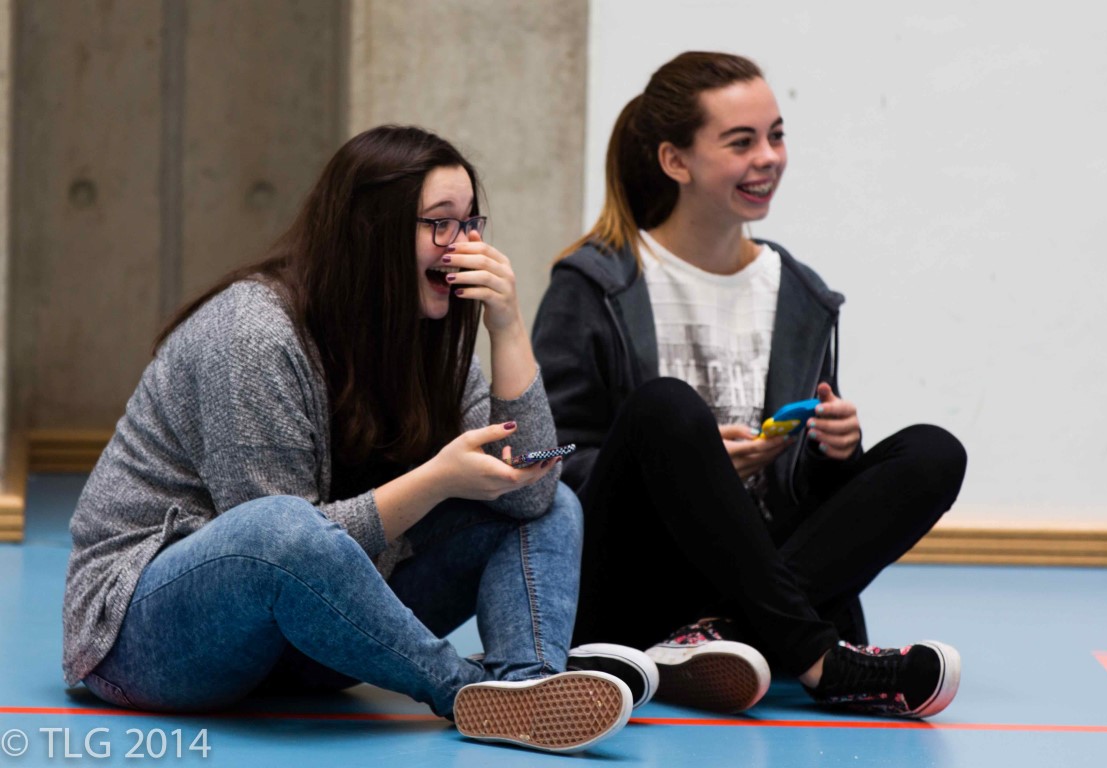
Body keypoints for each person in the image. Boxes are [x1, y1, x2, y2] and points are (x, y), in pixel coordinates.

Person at [62, 125, 657, 754]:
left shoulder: (426, 334)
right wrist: (436, 481)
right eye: (441, 223)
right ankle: (465, 691)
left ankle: (527, 686)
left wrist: (507, 326)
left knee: (550, 499)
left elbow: (529, 492)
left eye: (470, 222)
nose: (465, 245)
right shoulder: (253, 333)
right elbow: (280, 551)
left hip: (300, 644)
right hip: (144, 634)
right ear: (371, 230)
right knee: (282, 527)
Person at [532, 52, 967, 718]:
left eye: (776, 135)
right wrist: (687, 460)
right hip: (634, 580)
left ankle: (723, 637)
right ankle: (821, 662)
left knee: (934, 452)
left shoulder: (799, 293)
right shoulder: (595, 283)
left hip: (763, 575)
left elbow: (804, 492)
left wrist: (833, 451)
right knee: (667, 410)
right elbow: (548, 458)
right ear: (675, 161)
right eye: (741, 142)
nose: (769, 158)